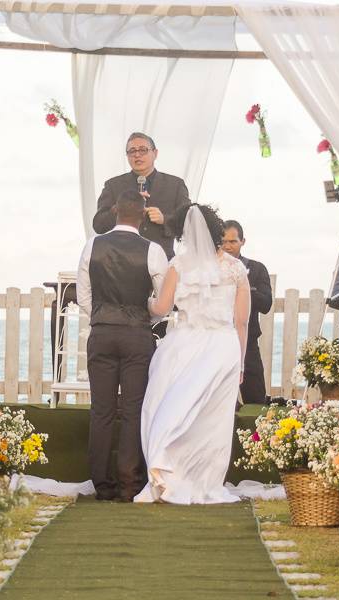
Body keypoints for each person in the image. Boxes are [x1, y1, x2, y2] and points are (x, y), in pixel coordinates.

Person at [135, 203, 250, 504]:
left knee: (170, 407)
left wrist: (142, 302)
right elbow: (242, 321)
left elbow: (161, 309)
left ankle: (167, 473)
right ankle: (206, 481)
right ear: (217, 231)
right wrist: (241, 362)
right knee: (213, 420)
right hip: (223, 347)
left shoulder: (179, 265)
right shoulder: (236, 269)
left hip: (183, 344)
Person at [77, 190, 169, 502]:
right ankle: (129, 484)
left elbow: (83, 294)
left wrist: (101, 317)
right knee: (132, 409)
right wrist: (144, 311)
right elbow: (163, 302)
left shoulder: (92, 245)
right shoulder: (153, 250)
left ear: (115, 211)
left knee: (101, 409)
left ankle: (102, 485)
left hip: (101, 332)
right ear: (143, 215)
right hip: (136, 335)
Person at [92, 132, 190, 259]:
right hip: (121, 262)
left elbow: (189, 224)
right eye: (132, 151)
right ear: (127, 156)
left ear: (155, 153)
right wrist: (121, 207)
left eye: (143, 150)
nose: (137, 155)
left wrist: (164, 220)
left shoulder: (175, 185)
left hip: (162, 260)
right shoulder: (113, 185)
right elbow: (99, 225)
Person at [221, 220, 272, 406]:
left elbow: (266, 304)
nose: (227, 246)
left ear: (243, 241)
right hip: (218, 344)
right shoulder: (211, 269)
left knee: (256, 401)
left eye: (233, 241)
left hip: (248, 344)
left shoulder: (257, 269)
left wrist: (244, 288)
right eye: (223, 241)